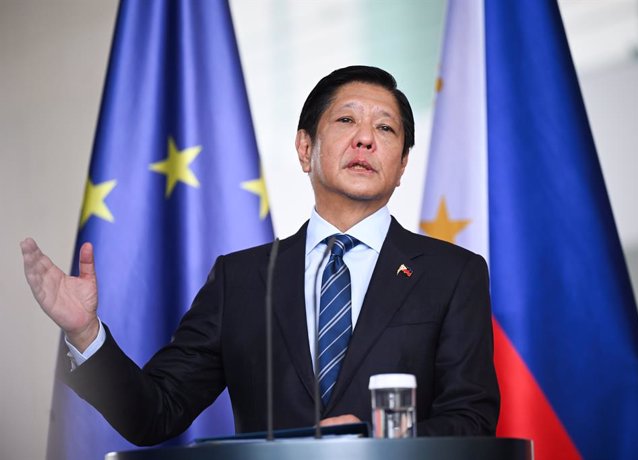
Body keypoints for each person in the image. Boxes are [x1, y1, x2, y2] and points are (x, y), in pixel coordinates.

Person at [21, 66, 499, 445]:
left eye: (386, 128)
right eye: (347, 119)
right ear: (304, 147)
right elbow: (154, 414)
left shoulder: (453, 274)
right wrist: (85, 333)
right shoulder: (241, 279)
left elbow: (472, 420)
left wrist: (375, 441)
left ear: (401, 165)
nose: (366, 138)